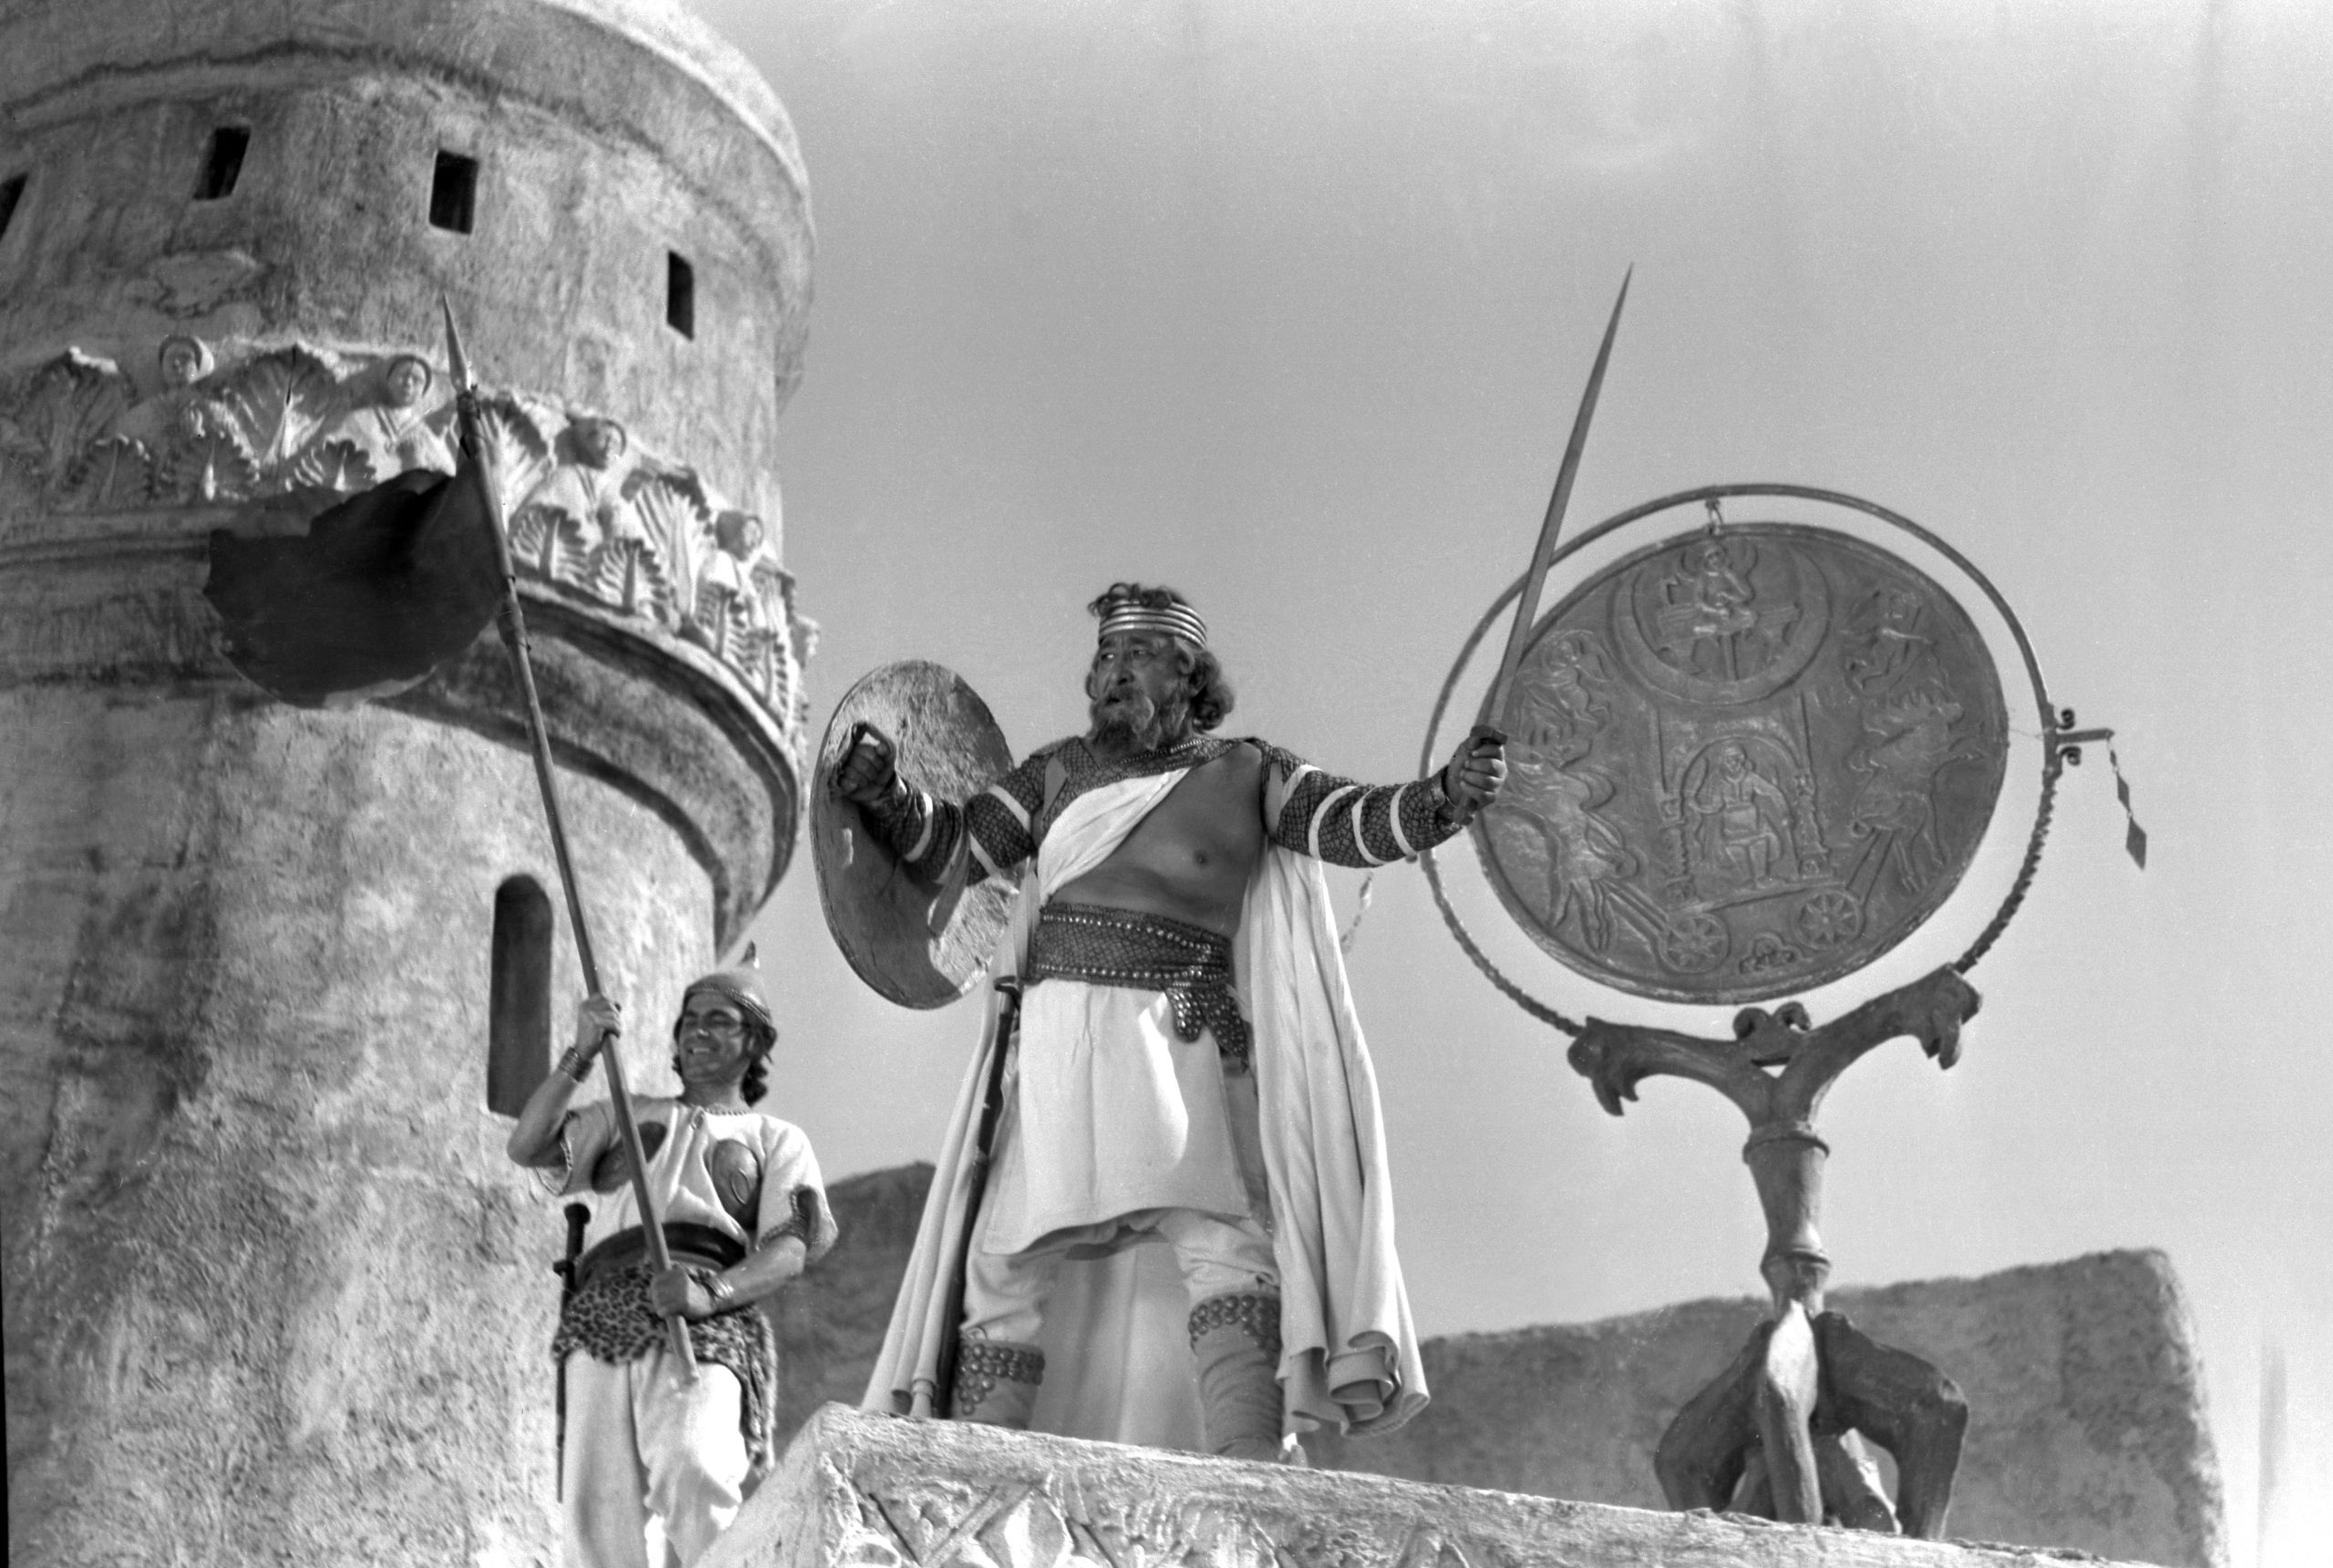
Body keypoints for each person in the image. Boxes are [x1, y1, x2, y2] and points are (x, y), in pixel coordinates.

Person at [843, 582, 1506, 1460]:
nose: (1116, 672)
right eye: (1107, 657)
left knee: (1224, 1240)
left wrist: (1447, 794)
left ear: (1191, 676)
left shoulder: (1248, 772)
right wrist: (889, 794)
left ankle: (1246, 1459)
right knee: (999, 1260)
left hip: (1179, 1029)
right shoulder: (1055, 773)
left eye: (1141, 655)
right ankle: (978, 1464)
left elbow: (1352, 823)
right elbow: (957, 849)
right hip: (1053, 1035)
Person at [507, 966, 836, 1568]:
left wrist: (712, 1292)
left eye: (720, 1020)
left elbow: (790, 1249)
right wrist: (580, 1054)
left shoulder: (776, 1137)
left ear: (756, 1043)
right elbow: (528, 1146)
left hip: (703, 1310)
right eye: (690, 1020)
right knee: (594, 1506)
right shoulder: (628, 1113)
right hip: (603, 1310)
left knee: (696, 1468)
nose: (698, 1031)